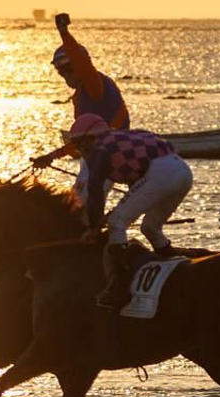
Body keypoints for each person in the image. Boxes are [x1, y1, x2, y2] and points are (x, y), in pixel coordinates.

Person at [62, 113, 193, 309]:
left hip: (162, 174)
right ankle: (169, 254)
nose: (80, 150)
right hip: (183, 172)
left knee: (117, 223)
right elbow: (137, 189)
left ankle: (120, 285)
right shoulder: (122, 139)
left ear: (92, 137)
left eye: (80, 144)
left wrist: (92, 227)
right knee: (150, 227)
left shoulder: (99, 151)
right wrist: (104, 217)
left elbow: (95, 190)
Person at [30, 12, 129, 170]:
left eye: (68, 70)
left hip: (112, 156)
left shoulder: (95, 85)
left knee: (86, 193)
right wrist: (50, 157)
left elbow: (82, 64)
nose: (65, 76)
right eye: (61, 72)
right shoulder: (80, 96)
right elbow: (79, 142)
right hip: (98, 156)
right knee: (80, 193)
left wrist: (64, 32)